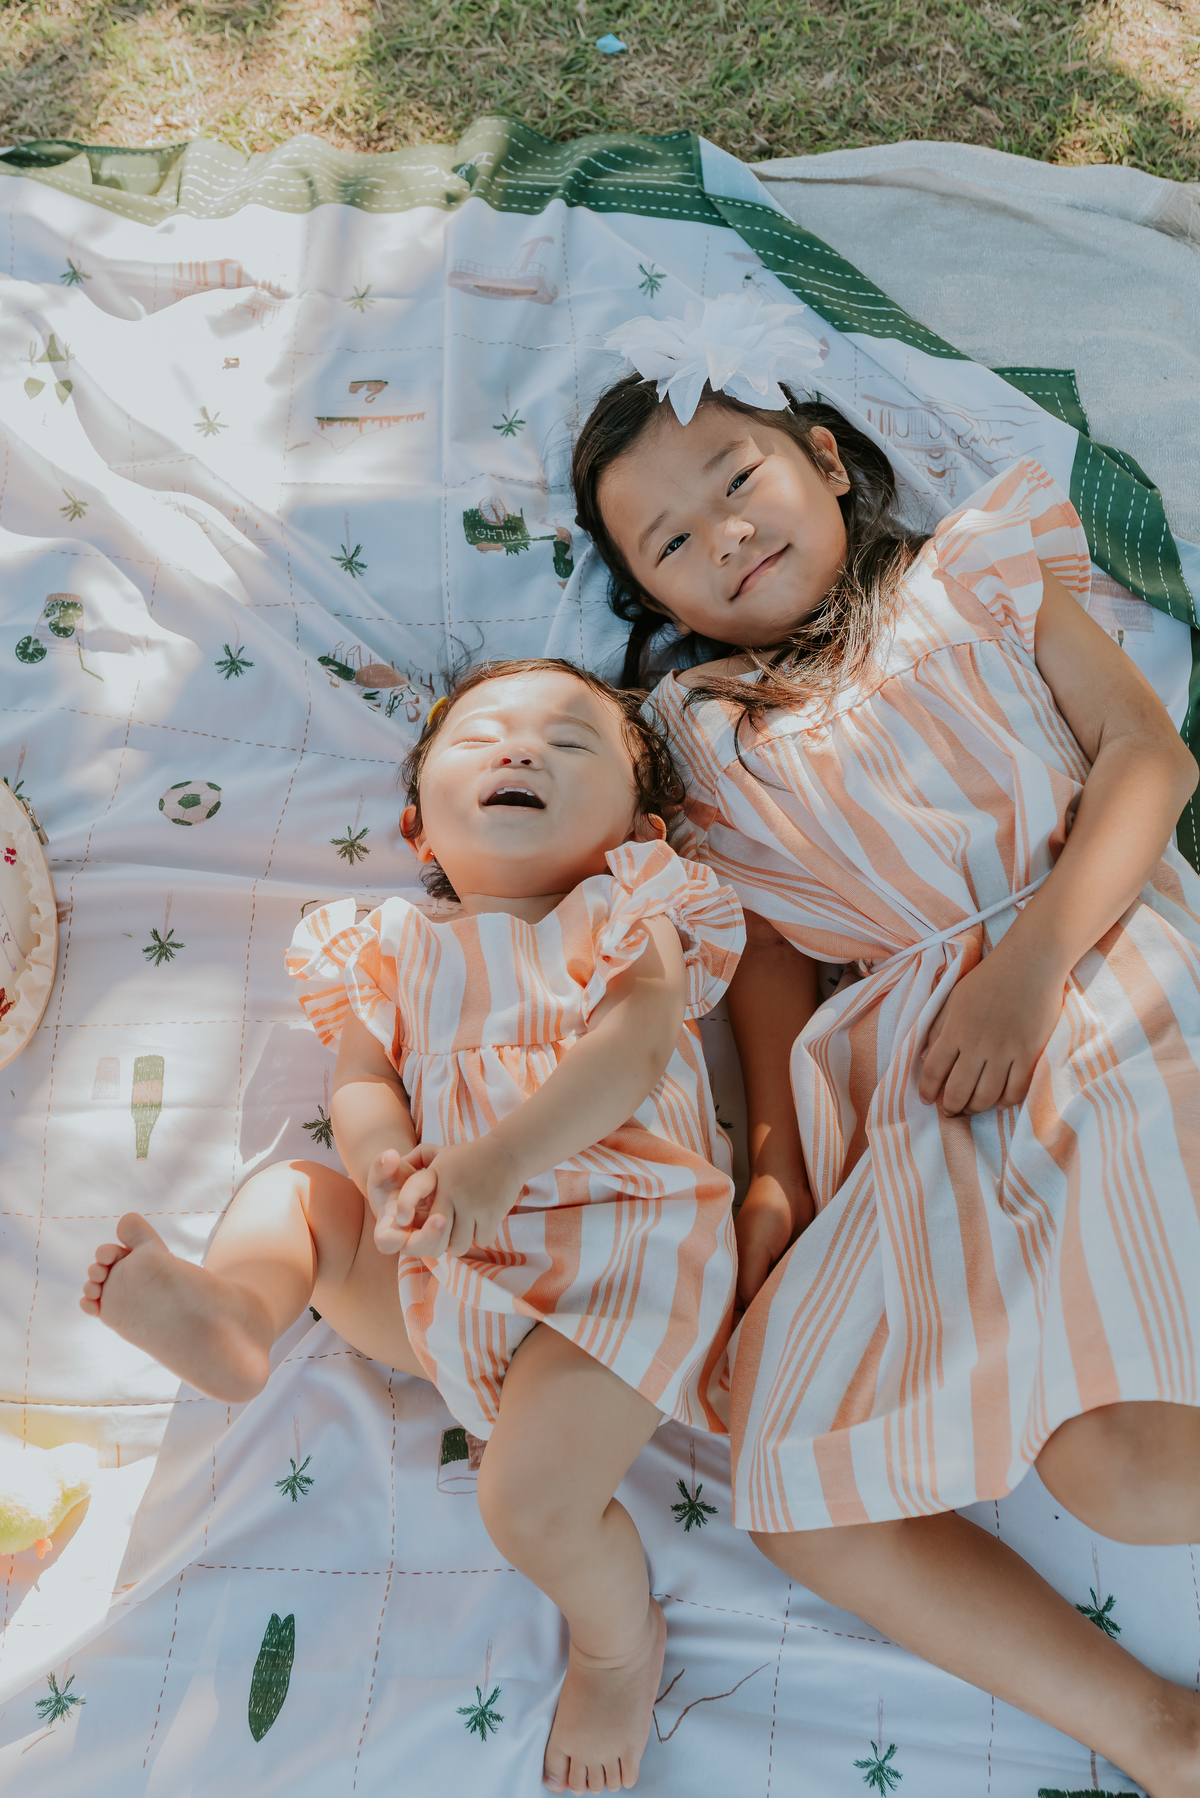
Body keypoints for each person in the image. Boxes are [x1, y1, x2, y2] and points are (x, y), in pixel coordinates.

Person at [571, 296, 1200, 1797]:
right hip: (916, 1080)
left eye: (736, 476)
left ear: (829, 459)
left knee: (1121, 1467)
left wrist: (1033, 962)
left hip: (1099, 964)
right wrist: (777, 1176)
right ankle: (1160, 1733)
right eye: (669, 541)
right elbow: (767, 965)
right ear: (658, 598)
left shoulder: (972, 574)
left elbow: (1150, 754)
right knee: (796, 1465)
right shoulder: (696, 730)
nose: (721, 533)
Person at [80, 657, 744, 1796]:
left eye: (569, 742)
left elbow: (633, 1051)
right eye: (481, 735)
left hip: (623, 1252)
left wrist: (501, 1160)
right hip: (442, 1260)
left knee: (526, 1502)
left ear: (639, 826)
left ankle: (617, 1645)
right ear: (416, 825)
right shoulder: (381, 945)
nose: (520, 750)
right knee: (296, 1193)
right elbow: (362, 1084)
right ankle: (240, 1312)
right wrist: (384, 1169)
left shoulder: (628, 909)